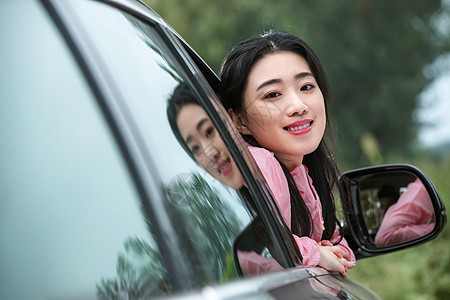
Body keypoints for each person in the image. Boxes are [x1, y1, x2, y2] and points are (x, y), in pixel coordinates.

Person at [220, 30, 356, 277]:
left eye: (306, 86)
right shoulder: (259, 165)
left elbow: (333, 239)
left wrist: (332, 250)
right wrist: (315, 253)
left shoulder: (306, 173)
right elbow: (261, 255)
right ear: (239, 120)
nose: (298, 106)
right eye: (273, 94)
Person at [374, 178, 435, 246]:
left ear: (398, 205)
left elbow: (383, 238)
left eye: (390, 206)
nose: (386, 211)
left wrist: (434, 228)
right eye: (382, 207)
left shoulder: (420, 189)